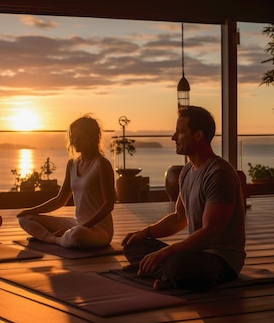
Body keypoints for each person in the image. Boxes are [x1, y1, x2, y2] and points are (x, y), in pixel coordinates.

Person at [121, 106, 245, 291]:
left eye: (179, 132)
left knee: (176, 264)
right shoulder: (187, 171)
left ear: (198, 135)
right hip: (194, 253)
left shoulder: (219, 174)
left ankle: (164, 271)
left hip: (220, 260)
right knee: (133, 245)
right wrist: (145, 233)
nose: (173, 137)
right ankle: (164, 273)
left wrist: (166, 252)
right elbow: (179, 218)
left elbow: (211, 233)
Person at [17, 115, 114, 248]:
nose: (74, 141)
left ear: (92, 138)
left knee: (77, 235)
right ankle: (55, 238)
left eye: (79, 138)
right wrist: (30, 211)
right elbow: (60, 199)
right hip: (77, 224)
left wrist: (83, 227)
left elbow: (109, 204)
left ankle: (53, 239)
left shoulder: (101, 164)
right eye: (73, 137)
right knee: (25, 219)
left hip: (99, 230)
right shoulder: (72, 164)